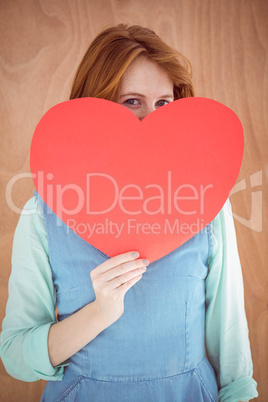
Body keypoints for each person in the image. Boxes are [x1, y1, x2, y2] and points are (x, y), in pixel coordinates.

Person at [0, 24, 258, 402]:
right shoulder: (43, 214)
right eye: (132, 101)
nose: (153, 120)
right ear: (95, 104)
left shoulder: (208, 205)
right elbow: (16, 356)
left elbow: (232, 353)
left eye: (163, 103)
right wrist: (99, 312)